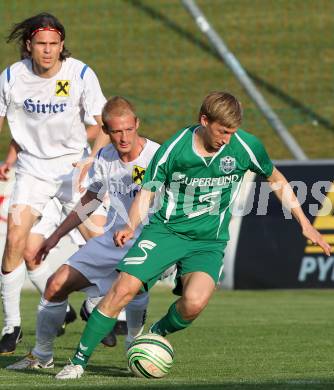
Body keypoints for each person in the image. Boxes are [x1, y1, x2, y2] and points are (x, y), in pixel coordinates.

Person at [51, 91, 331, 380]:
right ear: (204, 120)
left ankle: (154, 335)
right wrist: (131, 225)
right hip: (167, 232)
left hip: (208, 242)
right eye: (222, 131)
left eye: (232, 132)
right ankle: (78, 360)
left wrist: (305, 223)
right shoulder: (175, 148)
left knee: (194, 303)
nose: (227, 139)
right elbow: (148, 190)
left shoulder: (245, 146)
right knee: (123, 289)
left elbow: (276, 179)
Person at [6, 96, 160, 370]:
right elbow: (91, 199)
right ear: (106, 131)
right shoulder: (104, 157)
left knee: (132, 288)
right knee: (55, 285)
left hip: (152, 239)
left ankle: (134, 345)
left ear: (137, 124)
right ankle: (41, 356)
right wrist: (54, 237)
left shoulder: (159, 156)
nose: (123, 137)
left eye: (128, 129)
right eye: (115, 131)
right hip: (113, 239)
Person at [0, 12, 110, 355]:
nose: (48, 51)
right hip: (31, 173)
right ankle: (12, 326)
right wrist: (9, 160)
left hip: (74, 170)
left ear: (62, 45)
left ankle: (99, 305)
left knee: (102, 239)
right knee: (16, 243)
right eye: (41, 44)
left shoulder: (79, 73)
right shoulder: (10, 77)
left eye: (54, 44)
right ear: (28, 46)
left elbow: (103, 123)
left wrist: (92, 159)